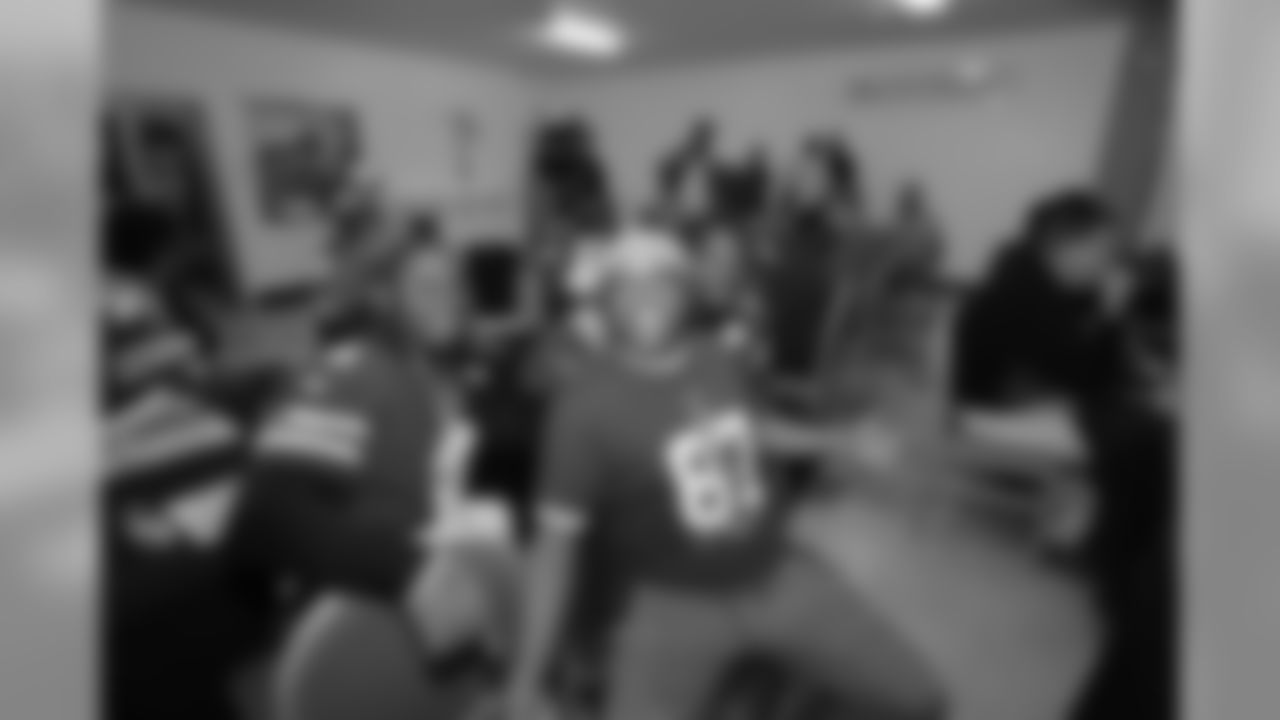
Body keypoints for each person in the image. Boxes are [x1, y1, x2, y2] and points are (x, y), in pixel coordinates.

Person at [503, 227, 946, 720]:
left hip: (778, 572)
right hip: (673, 604)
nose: (646, 294)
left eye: (662, 278)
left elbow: (754, 428)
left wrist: (841, 438)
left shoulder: (714, 356)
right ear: (606, 301)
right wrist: (526, 680)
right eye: (628, 282)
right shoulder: (581, 408)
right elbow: (554, 551)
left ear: (685, 292)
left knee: (921, 698)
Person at [226, 239, 517, 661]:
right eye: (426, 287)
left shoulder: (453, 370)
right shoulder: (357, 368)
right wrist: (409, 569)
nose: (448, 299)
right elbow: (266, 512)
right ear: (388, 298)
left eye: (455, 285)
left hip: (439, 595)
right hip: (368, 611)